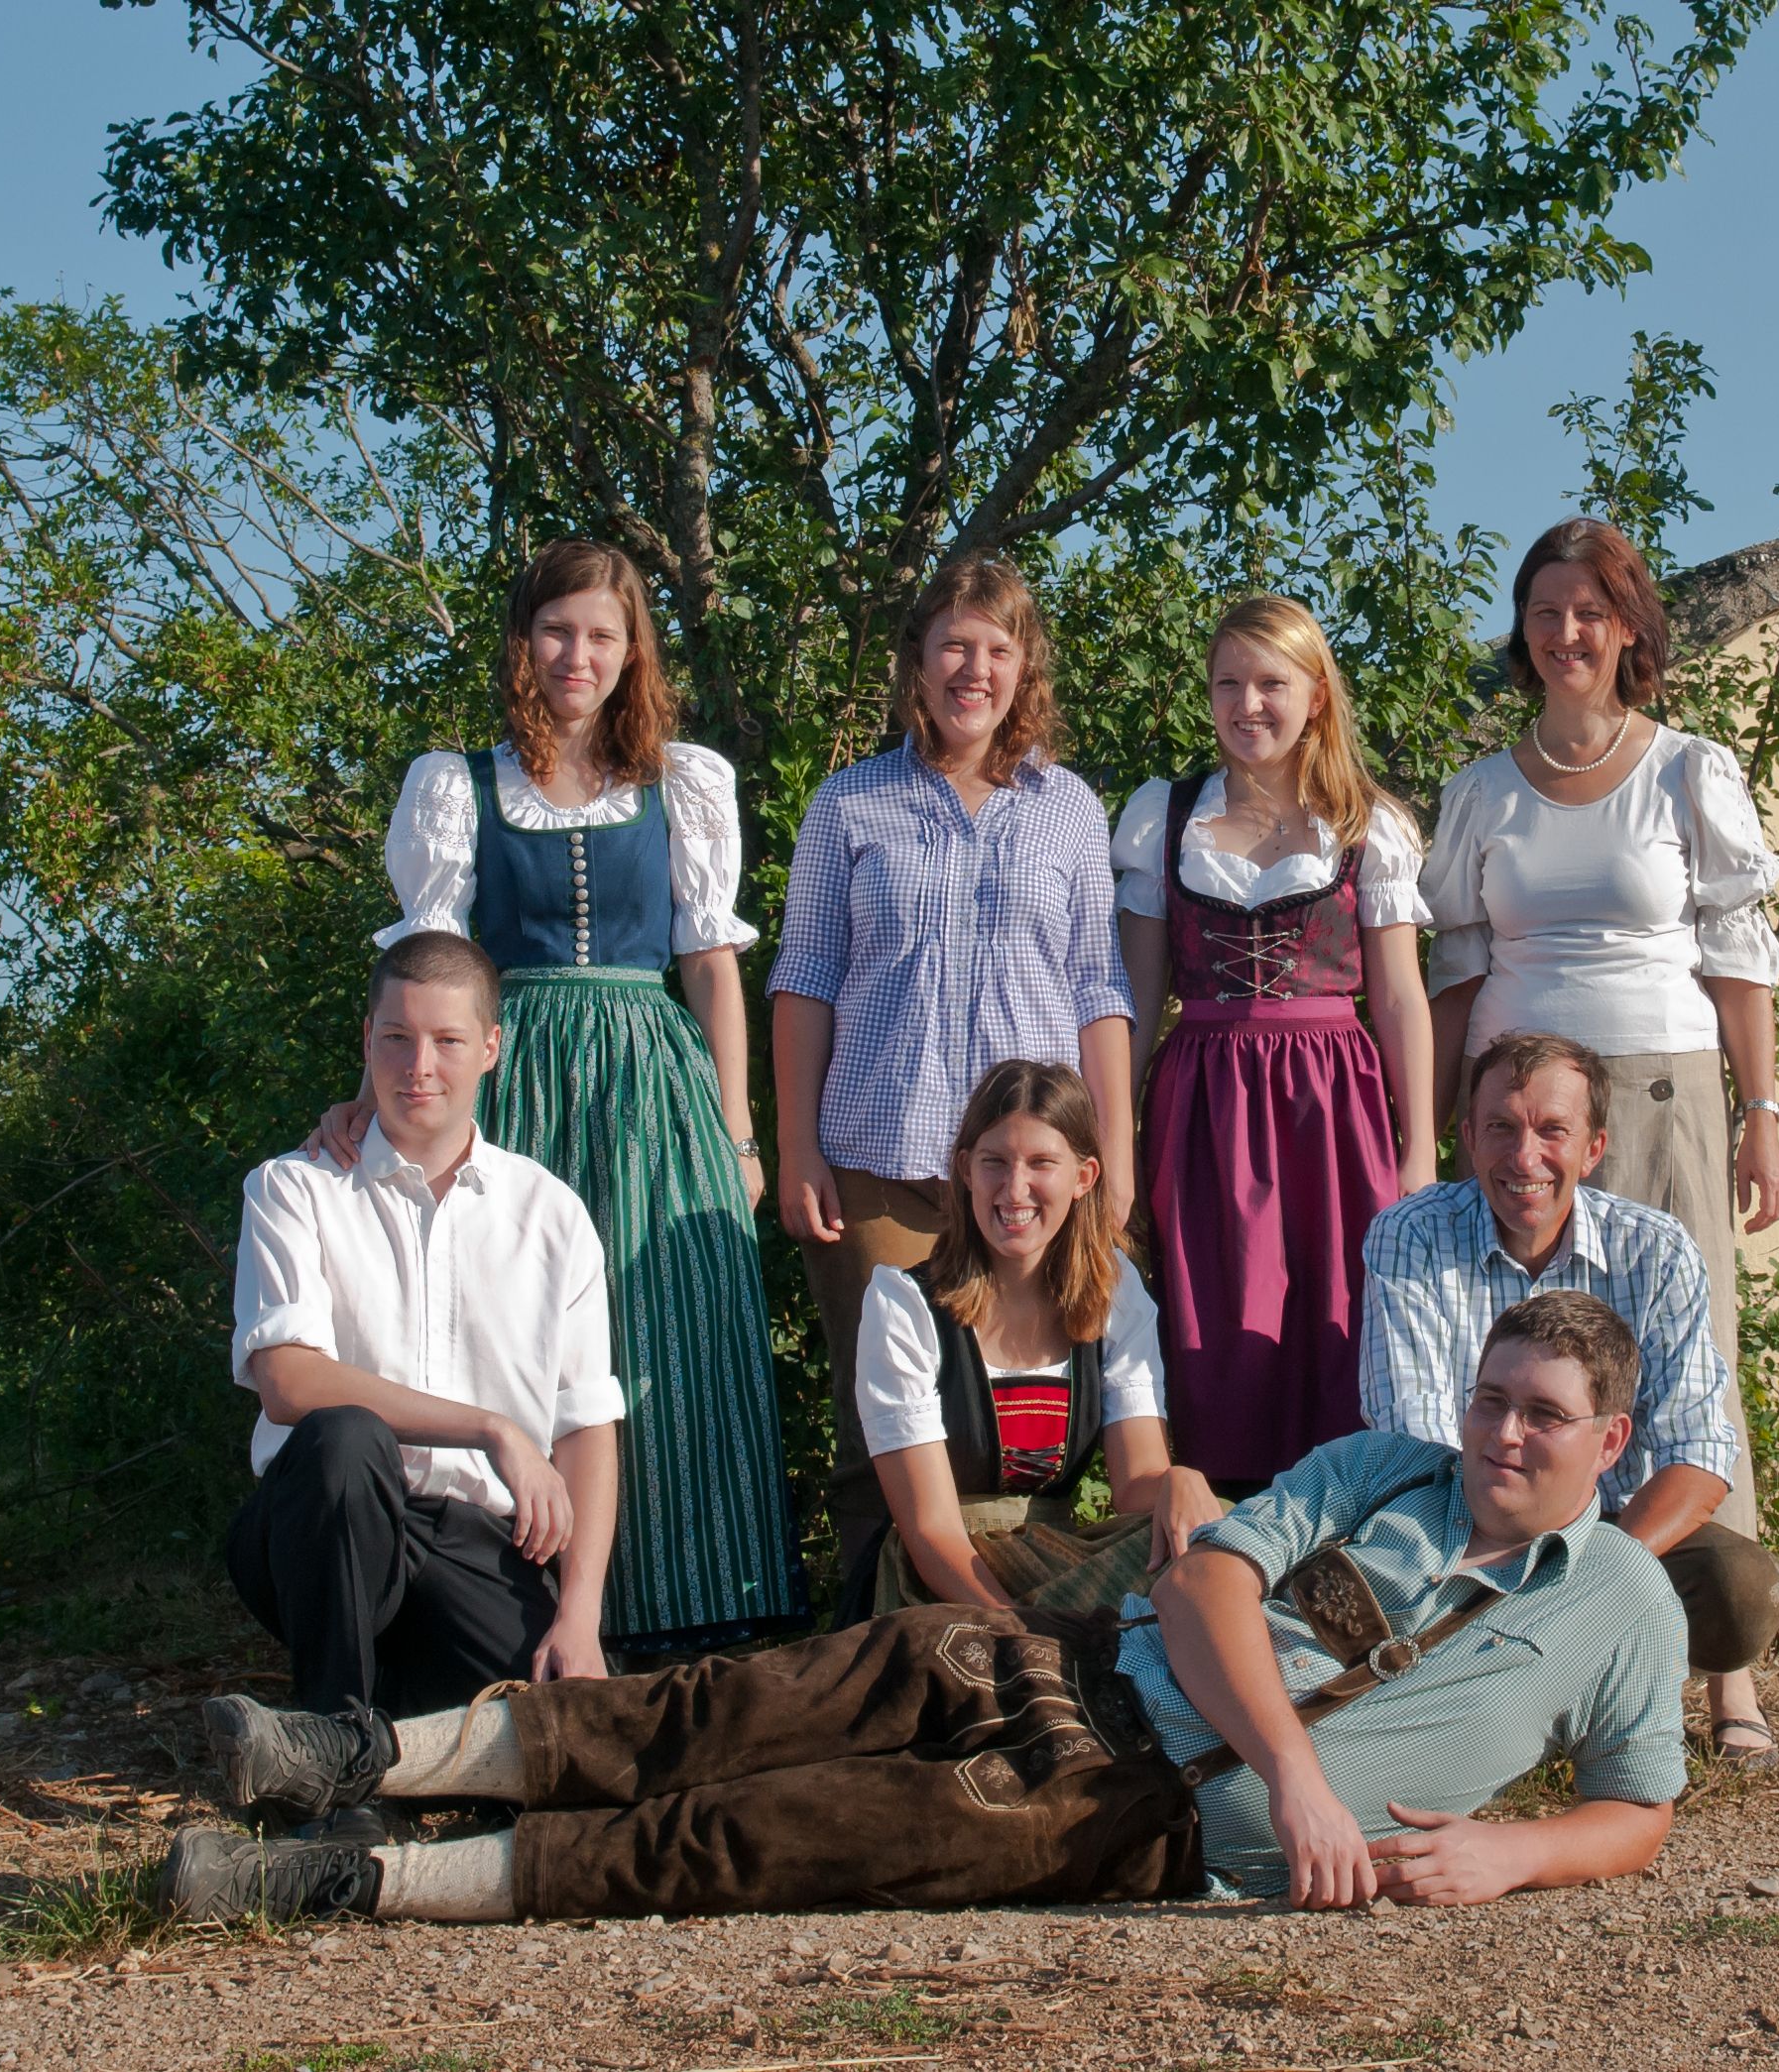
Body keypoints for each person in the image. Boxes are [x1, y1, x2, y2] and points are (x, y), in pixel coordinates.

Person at [159, 1291, 1691, 1923]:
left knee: (756, 1834)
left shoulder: (1625, 1603)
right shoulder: (1386, 1463)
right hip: (1064, 1657)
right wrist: (1301, 1773)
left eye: (1539, 1416)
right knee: (714, 1708)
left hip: (1130, 1810)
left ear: (1609, 1443)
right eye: (1491, 1398)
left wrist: (1516, 1852)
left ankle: (335, 1886)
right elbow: (1214, 1574)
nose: (1499, 1433)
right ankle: (351, 1758)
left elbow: (1640, 1806)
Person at [309, 540, 803, 1658]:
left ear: (633, 652)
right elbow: (429, 962)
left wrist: (736, 1130)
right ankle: (509, 1613)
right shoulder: (456, 784)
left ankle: (683, 1611)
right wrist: (374, 1102)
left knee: (665, 1326)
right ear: (522, 644)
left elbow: (710, 964)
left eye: (600, 634)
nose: (576, 654)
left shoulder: (684, 780)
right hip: (514, 1068)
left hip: (649, 1081)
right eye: (556, 630)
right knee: (509, 1331)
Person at [1417, 516, 1779, 1759]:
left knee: (1689, 1370)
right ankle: (1539, 1656)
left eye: (1587, 610)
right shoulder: (1477, 792)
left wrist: (1761, 1117)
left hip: (1666, 1095)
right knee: (1530, 1368)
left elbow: (1740, 961)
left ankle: (1723, 1676)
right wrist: (1439, 1122)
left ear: (1626, 625)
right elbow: (1458, 971)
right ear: (1520, 635)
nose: (1564, 632)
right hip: (1519, 1111)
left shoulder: (1690, 770)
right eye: (1542, 612)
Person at [771, 560, 1134, 1588]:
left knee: (1025, 1401)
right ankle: (865, 1634)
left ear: (1024, 670)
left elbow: (1096, 987)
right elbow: (804, 977)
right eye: (954, 647)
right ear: (917, 665)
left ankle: (1032, 1617)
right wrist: (795, 1143)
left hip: (1029, 1172)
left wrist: (1113, 1156)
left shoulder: (1068, 810)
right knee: (875, 1420)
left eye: (997, 650)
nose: (974, 669)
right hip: (880, 1159)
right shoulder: (847, 805)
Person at [1358, 1032, 1779, 1764]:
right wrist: (1512, 1573)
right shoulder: (1411, 1236)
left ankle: (1542, 1688)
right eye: (1501, 1128)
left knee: (1737, 1589)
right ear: (1467, 1139)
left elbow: (1700, 1452)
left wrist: (1583, 1575)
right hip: (1459, 1530)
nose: (1524, 1158)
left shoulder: (1656, 1250)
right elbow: (1419, 1446)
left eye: (1552, 1130)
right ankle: (1527, 1703)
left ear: (1593, 1149)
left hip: (1610, 1533)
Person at [227, 931, 623, 1725]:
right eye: (397, 1038)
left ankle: (402, 1718)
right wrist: (493, 1430)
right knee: (345, 1438)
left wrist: (580, 1619)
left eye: (446, 1041)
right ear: (366, 1040)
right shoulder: (294, 1189)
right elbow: (287, 1383)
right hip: (322, 1531)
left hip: (476, 1543)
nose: (419, 1068)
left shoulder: (551, 1216)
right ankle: (332, 1751)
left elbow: (585, 1429)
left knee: (569, 1737)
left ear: (490, 1049)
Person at [1114, 596, 1433, 1493]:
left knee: (1342, 1317)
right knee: (1216, 1323)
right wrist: (1117, 1142)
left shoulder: (1371, 824)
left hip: (1334, 1105)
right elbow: (1137, 998)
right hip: (1205, 1102)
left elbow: (1401, 999)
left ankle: (1349, 1543)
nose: (1247, 704)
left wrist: (1416, 1151)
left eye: (1270, 683)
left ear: (1316, 696)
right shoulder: (1162, 818)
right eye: (1228, 684)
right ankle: (1226, 1550)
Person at [854, 1059, 1222, 1615]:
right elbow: (930, 1529)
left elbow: (1134, 1486)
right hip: (948, 1584)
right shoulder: (905, 1306)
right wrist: (1025, 1636)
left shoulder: (1115, 1296)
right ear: (965, 1170)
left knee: (1224, 1535)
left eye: (1041, 1163)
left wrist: (1180, 1482)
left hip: (1061, 1555)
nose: (1014, 1188)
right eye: (994, 1162)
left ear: (1084, 1178)